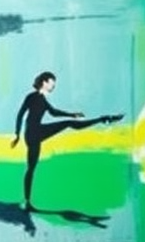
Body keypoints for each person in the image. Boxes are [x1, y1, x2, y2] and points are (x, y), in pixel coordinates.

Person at [11, 72, 123, 207]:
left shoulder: (43, 100)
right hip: (32, 133)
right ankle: (102, 119)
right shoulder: (31, 97)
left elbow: (54, 112)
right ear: (44, 82)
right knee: (31, 168)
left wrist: (72, 114)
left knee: (32, 167)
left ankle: (102, 119)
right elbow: (20, 114)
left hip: (37, 132)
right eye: (52, 82)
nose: (53, 86)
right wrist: (17, 134)